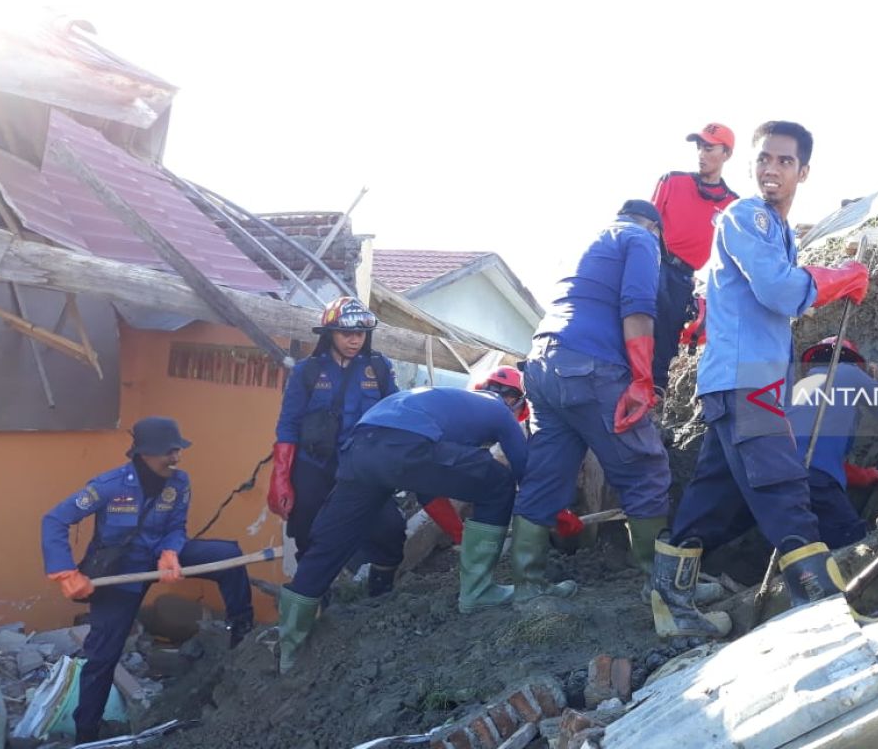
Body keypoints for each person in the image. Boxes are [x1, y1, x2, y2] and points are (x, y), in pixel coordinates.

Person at [652, 121, 871, 639]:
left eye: (785, 161)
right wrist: (839, 278)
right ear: (751, 165)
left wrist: (826, 279)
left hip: (741, 379)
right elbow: (777, 289)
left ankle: (670, 602)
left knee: (712, 496)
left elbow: (776, 286)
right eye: (764, 159)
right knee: (783, 487)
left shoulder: (776, 231)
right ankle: (823, 612)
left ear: (803, 171)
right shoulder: (746, 215)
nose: (771, 169)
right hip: (745, 379)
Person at [510, 199, 721, 606]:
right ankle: (664, 588)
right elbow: (638, 308)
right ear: (656, 230)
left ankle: (527, 586)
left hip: (541, 363)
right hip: (592, 365)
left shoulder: (585, 244)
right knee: (645, 469)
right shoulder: (640, 238)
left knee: (547, 473)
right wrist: (643, 379)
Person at [276, 377, 528, 673]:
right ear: (517, 405)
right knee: (498, 483)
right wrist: (557, 513)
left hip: (359, 450)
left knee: (328, 546)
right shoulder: (498, 409)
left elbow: (427, 486)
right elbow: (525, 468)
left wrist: (457, 531)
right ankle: (478, 591)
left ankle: (289, 650)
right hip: (403, 447)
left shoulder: (446, 403)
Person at [41, 417, 254, 744]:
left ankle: (242, 631)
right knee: (102, 658)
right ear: (144, 453)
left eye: (178, 450)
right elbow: (54, 519)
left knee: (229, 556)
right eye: (169, 451)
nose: (176, 457)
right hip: (119, 575)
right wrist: (65, 571)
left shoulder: (179, 483)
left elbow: (176, 526)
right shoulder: (111, 484)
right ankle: (87, 734)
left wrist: (170, 552)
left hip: (160, 559)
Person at [267, 296, 461, 595]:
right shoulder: (307, 371)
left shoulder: (379, 368)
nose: (354, 340)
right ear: (330, 333)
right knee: (309, 534)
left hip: (364, 466)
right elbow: (288, 424)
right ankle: (314, 602)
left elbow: (396, 412)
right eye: (347, 333)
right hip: (315, 465)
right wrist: (280, 478)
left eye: (361, 334)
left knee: (389, 530)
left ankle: (377, 595)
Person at [786, 337, 878, 549]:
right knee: (854, 546)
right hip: (812, 478)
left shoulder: (799, 389)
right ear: (854, 363)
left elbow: (816, 454)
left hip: (780, 477)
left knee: (804, 548)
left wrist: (864, 476)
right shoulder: (847, 372)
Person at [650, 123, 740, 391]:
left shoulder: (733, 205)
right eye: (699, 147)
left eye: (709, 148)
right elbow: (643, 230)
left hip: (684, 278)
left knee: (663, 349)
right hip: (653, 265)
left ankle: (654, 401)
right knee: (632, 329)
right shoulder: (672, 181)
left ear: (726, 154)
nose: (701, 153)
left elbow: (735, 259)